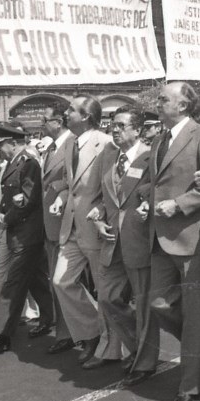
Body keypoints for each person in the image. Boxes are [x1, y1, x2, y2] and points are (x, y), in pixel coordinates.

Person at [145, 81, 200, 401]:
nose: (158, 103)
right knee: (159, 303)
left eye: (164, 99)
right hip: (161, 237)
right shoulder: (160, 138)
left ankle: (189, 384)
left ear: (182, 106)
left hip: (193, 236)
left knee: (192, 313)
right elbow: (157, 181)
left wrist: (178, 204)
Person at [88, 107, 159, 386]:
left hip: (139, 240)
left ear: (137, 129)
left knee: (143, 304)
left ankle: (144, 362)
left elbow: (159, 187)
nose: (114, 130)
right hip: (111, 242)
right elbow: (99, 198)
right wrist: (97, 218)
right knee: (107, 298)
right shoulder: (109, 156)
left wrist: (147, 202)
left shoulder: (150, 155)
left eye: (119, 125)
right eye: (111, 125)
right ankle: (139, 348)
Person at [51, 96, 117, 366]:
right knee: (61, 282)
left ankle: (109, 347)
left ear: (87, 116)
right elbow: (70, 183)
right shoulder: (69, 143)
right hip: (72, 227)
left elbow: (111, 187)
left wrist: (100, 210)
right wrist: (61, 197)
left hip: (95, 228)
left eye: (70, 110)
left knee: (104, 291)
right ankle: (92, 333)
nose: (65, 114)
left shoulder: (106, 143)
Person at [0, 121, 46, 354]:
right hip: (18, 232)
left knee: (13, 284)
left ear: (12, 143)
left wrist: (7, 218)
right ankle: (50, 317)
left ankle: (1, 335)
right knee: (38, 280)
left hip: (26, 232)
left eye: (0, 144)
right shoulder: (13, 163)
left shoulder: (28, 163)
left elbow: (28, 199)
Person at [39, 105, 75, 353]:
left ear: (59, 121)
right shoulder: (52, 146)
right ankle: (67, 331)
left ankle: (73, 332)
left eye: (46, 118)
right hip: (51, 223)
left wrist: (60, 187)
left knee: (65, 282)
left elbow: (78, 178)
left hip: (68, 223)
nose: (42, 122)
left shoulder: (73, 143)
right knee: (57, 281)